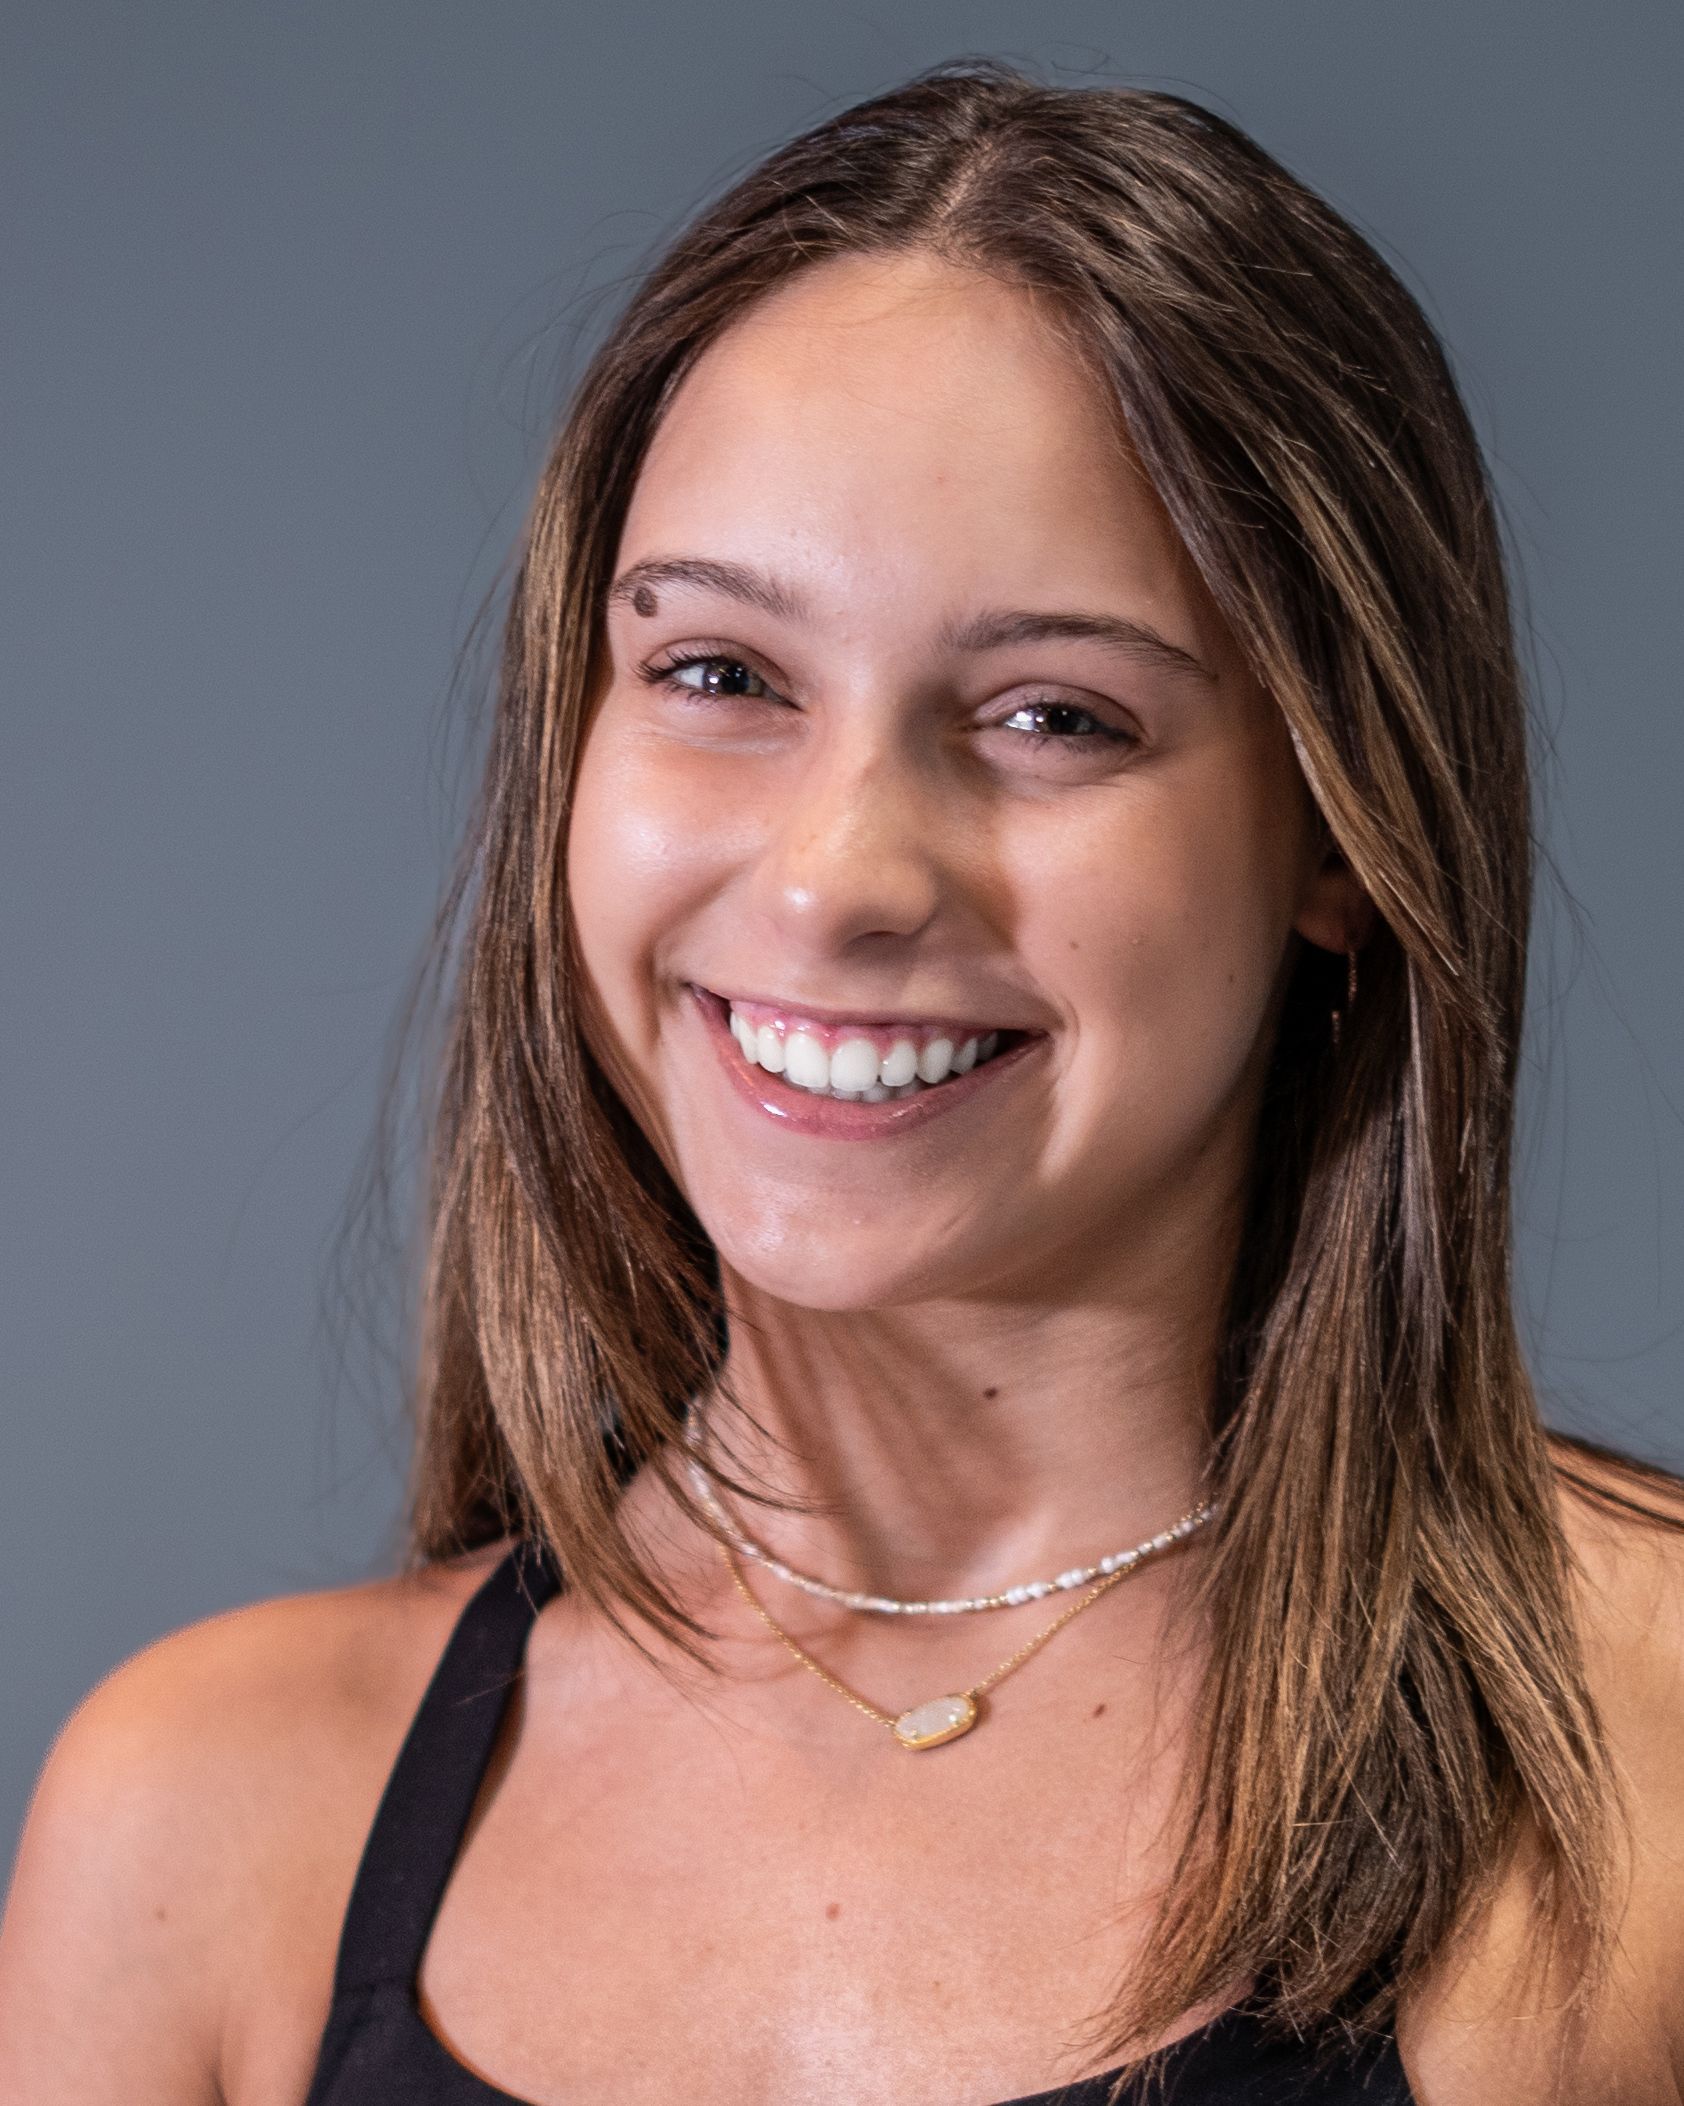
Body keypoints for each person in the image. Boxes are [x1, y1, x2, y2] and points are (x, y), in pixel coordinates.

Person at [2, 55, 1682, 2106]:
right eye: (717, 677)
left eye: (1054, 715)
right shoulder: (208, 1827)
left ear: (1336, 831)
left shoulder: (1642, 1758)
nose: (834, 876)